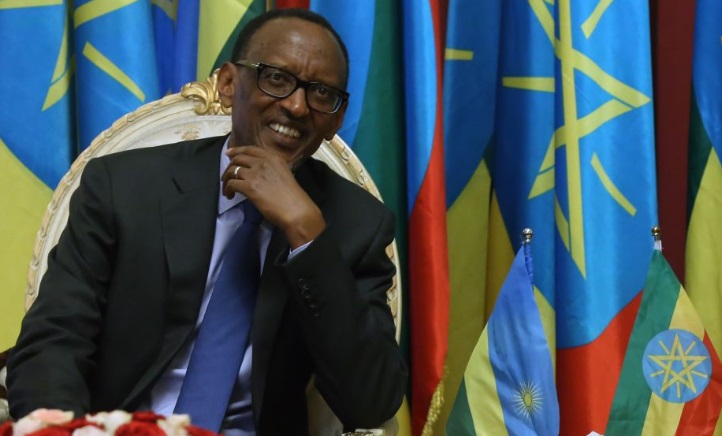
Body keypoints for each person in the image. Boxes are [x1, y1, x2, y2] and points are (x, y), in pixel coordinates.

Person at [7, 8, 407, 435]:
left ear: (337, 119)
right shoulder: (124, 188)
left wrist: (306, 235)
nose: (296, 106)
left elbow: (371, 403)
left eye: (322, 93)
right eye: (276, 78)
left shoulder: (355, 224)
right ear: (229, 84)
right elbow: (52, 346)